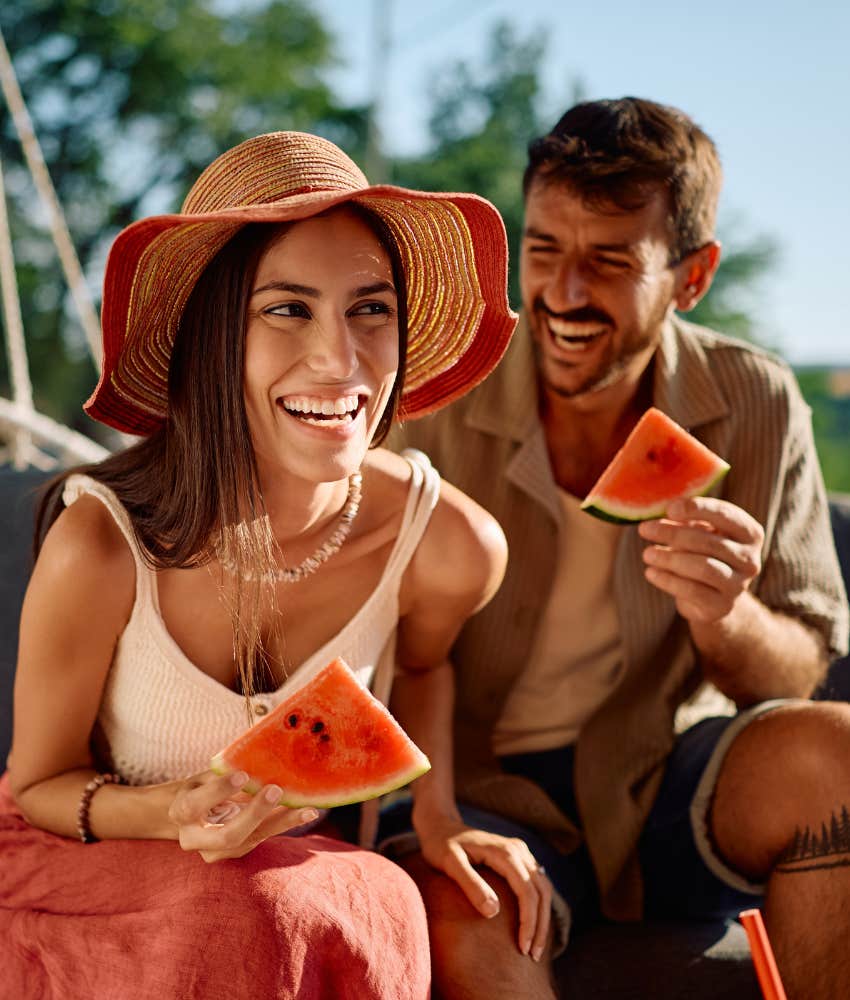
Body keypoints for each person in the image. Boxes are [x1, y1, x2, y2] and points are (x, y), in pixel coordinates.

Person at [0, 130, 551, 999]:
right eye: (287, 309)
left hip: (287, 873)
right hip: (86, 857)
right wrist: (174, 813)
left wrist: (438, 815)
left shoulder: (448, 543)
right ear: (213, 340)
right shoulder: (102, 544)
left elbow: (425, 665)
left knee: (328, 895)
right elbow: (35, 787)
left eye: (371, 309)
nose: (339, 359)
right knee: (255, 905)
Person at [390, 97, 850, 999]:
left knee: (836, 752)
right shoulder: (433, 392)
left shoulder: (753, 400)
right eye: (546, 250)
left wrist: (728, 616)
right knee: (462, 921)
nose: (563, 295)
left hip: (657, 772)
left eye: (608, 262)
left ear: (692, 276)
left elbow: (798, 675)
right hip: (473, 776)